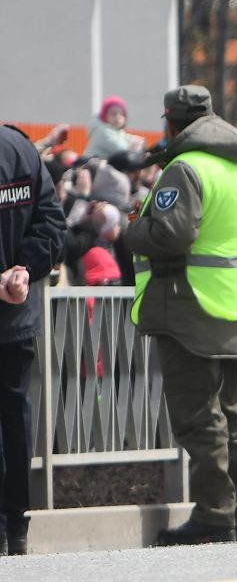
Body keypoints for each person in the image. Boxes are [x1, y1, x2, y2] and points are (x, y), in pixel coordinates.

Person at [123, 85, 237, 547]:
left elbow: (170, 236)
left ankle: (212, 514)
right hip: (234, 307)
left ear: (172, 124)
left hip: (187, 307)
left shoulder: (185, 168)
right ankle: (233, 512)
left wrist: (134, 229)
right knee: (231, 416)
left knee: (197, 416)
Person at [0, 122, 65, 556]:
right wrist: (23, 268)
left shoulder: (19, 147)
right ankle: (15, 525)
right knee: (14, 419)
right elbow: (51, 226)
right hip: (16, 313)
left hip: (13, 310)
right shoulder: (20, 149)